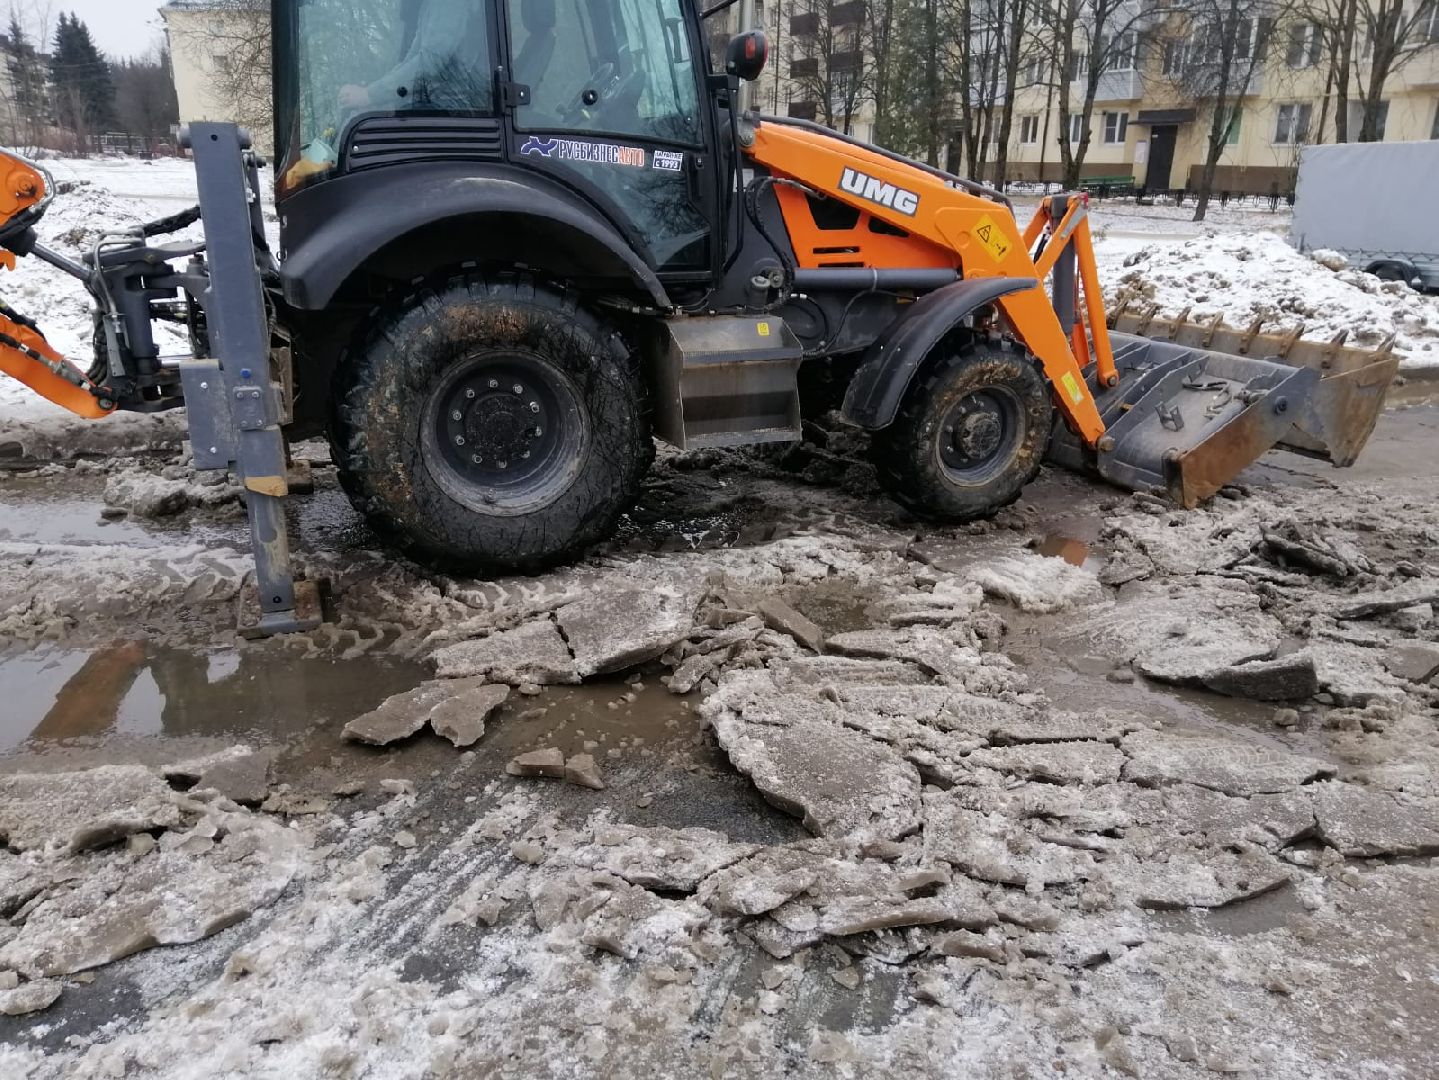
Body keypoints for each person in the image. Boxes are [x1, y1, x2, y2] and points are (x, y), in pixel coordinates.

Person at [338, 0, 478, 112]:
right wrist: (373, 94)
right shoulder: (429, 6)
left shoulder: (448, 3)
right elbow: (410, 60)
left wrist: (370, 95)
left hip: (450, 113)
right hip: (436, 108)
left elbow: (431, 62)